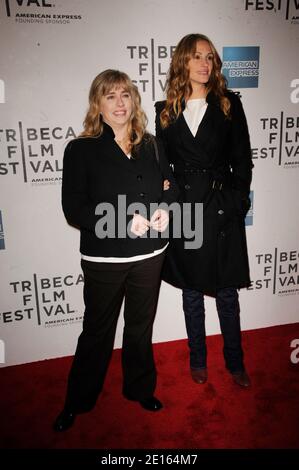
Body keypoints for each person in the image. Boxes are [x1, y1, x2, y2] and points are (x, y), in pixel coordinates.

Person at [53, 69, 178, 432]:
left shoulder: (151, 144)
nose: (120, 103)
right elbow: (74, 208)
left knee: (140, 328)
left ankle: (140, 389)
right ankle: (77, 401)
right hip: (104, 260)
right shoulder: (81, 149)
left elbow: (170, 188)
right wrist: (123, 222)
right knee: (97, 331)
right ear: (98, 104)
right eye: (110, 96)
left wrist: (165, 206)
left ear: (134, 100)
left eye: (125, 95)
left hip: (150, 256)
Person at [155, 34, 253, 388]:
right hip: (185, 212)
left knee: (227, 292)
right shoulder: (164, 110)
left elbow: (243, 160)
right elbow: (162, 166)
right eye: (197, 57)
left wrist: (236, 203)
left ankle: (235, 361)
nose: (205, 63)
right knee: (192, 292)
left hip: (221, 208)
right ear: (183, 62)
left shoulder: (229, 104)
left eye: (209, 57)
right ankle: (198, 359)